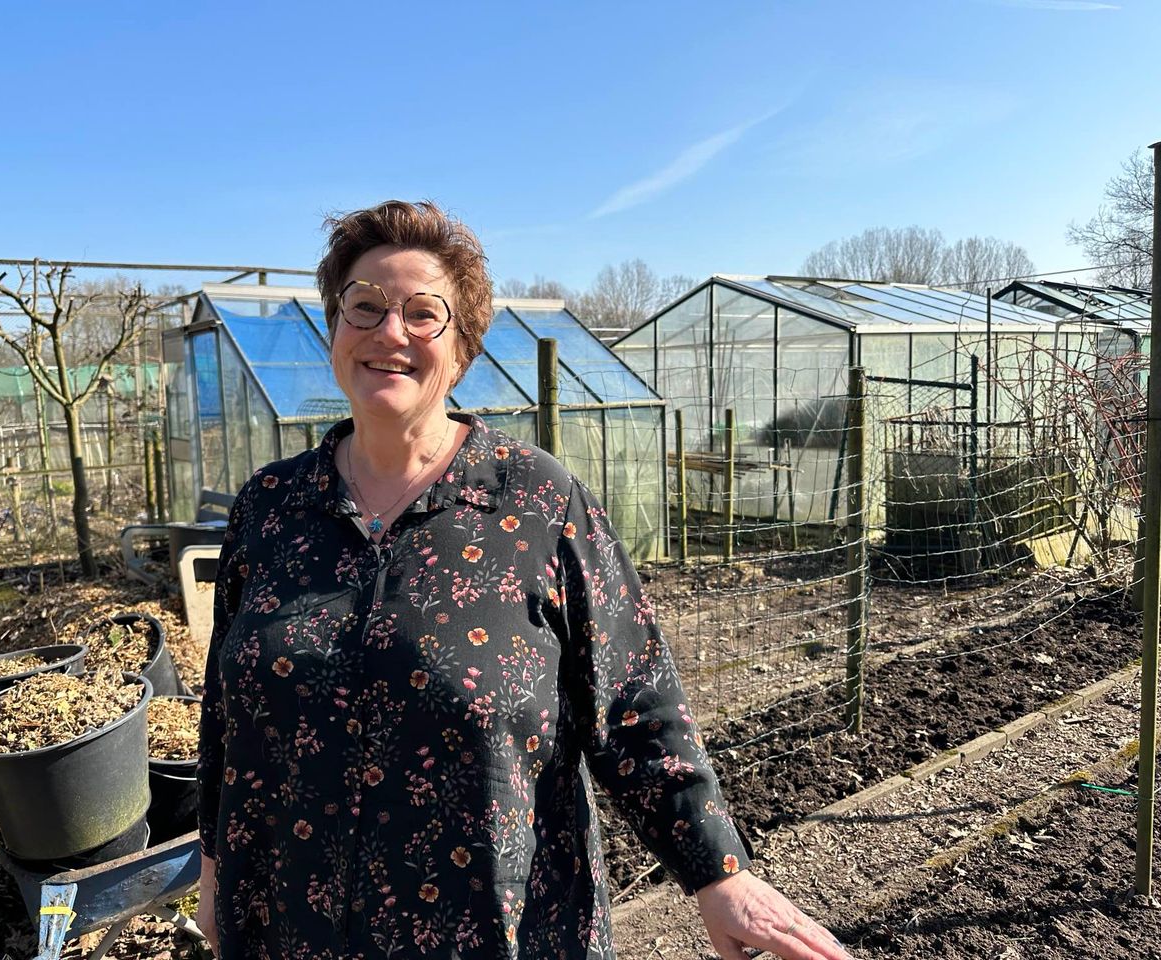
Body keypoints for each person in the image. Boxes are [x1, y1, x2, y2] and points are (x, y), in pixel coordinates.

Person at [196, 200, 850, 960]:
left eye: (422, 314)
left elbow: (633, 698)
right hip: (288, 926)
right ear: (335, 330)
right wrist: (213, 866)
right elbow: (225, 710)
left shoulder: (536, 502)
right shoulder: (272, 510)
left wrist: (719, 873)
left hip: (494, 930)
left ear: (464, 349)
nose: (389, 333)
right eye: (364, 308)